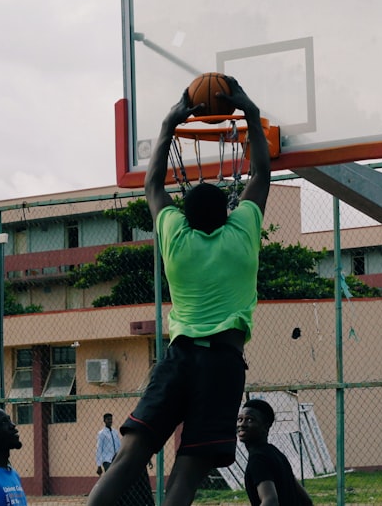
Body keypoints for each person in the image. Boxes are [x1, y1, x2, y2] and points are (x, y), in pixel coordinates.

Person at [86, 77, 271, 506]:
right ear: (228, 213)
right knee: (186, 473)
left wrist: (169, 123)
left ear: (182, 216)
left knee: (129, 458)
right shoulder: (241, 234)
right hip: (222, 363)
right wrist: (251, 114)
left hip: (179, 357)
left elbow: (153, 186)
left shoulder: (175, 238)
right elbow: (261, 172)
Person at [237, 399, 313, 506]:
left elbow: (270, 501)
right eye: (240, 419)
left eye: (250, 420)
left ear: (265, 426)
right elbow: (306, 500)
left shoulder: (258, 459)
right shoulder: (276, 453)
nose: (242, 424)